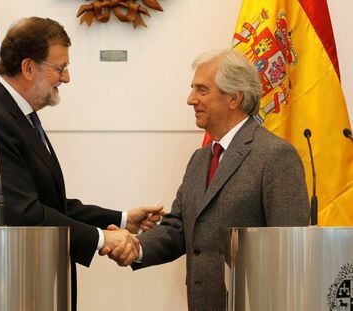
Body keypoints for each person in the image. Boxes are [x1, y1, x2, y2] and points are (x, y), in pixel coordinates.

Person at [0, 17, 163, 310]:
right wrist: (103, 239)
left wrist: (124, 218)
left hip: (33, 285)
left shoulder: (19, 117)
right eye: (60, 68)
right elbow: (23, 215)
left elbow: (50, 205)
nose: (66, 78)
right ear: (28, 68)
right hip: (5, 288)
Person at [108, 49, 310, 310]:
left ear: (234, 98)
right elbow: (178, 228)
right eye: (193, 89)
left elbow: (289, 248)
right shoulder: (200, 158)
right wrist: (135, 247)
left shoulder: (275, 155)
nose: (190, 99)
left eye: (202, 90)